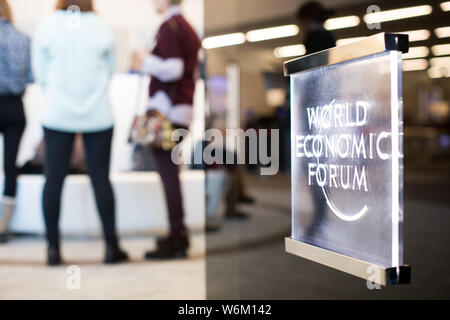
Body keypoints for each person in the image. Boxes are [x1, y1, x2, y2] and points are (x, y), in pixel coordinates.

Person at [33, 0, 128, 265]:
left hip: (57, 114)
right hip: (98, 114)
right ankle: (111, 247)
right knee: (100, 178)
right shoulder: (101, 27)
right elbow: (109, 71)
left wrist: (60, 96)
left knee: (54, 179)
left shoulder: (47, 26)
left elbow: (40, 73)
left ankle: (53, 249)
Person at [133, 0, 201, 259]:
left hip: (168, 112)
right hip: (179, 109)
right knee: (170, 170)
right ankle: (177, 233)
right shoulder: (185, 27)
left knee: (168, 172)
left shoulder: (170, 26)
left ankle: (177, 236)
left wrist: (145, 60)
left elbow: (174, 69)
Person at [0, 0, 33, 243]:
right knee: (10, 166)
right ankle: (2, 226)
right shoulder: (23, 39)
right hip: (14, 106)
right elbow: (31, 76)